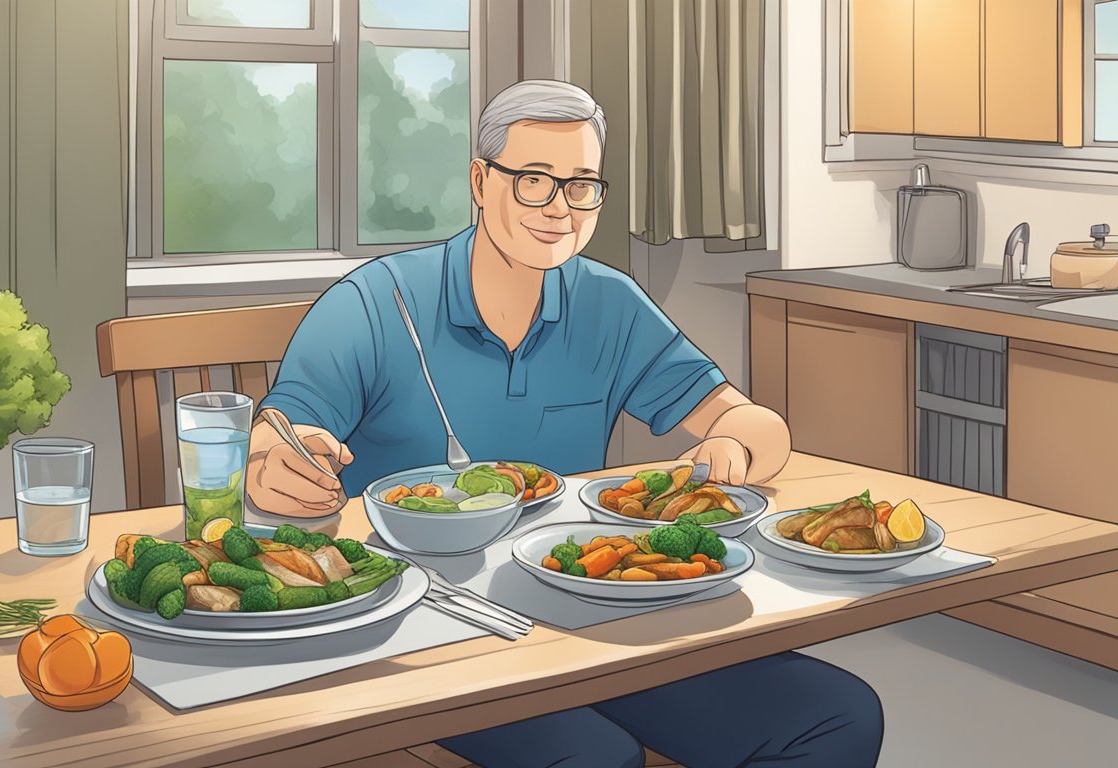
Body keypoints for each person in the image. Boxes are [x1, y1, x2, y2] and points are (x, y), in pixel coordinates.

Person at [246, 79, 882, 768]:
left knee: (837, 717)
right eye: (533, 182)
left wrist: (733, 442)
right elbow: (278, 436)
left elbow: (758, 425)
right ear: (480, 181)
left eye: (581, 185)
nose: (559, 209)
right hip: (433, 632)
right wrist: (285, 461)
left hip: (593, 606)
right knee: (595, 759)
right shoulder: (375, 302)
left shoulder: (610, 303)